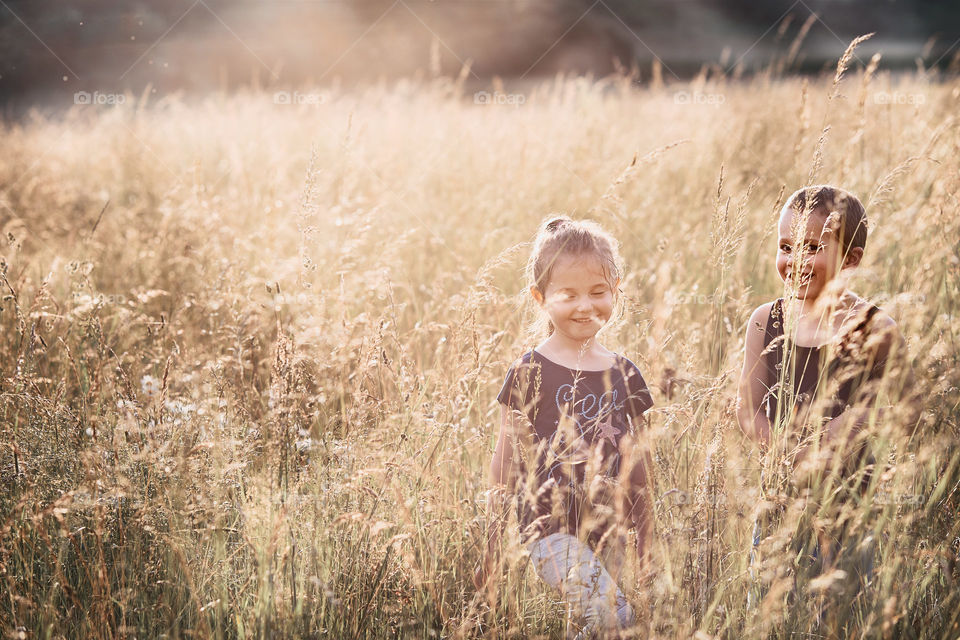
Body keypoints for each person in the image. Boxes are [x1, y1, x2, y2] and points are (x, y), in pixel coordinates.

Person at [736, 185, 911, 625]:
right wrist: (782, 449)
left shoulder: (876, 326)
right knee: (774, 607)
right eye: (785, 246)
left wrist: (857, 420)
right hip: (779, 501)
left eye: (812, 247)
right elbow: (747, 408)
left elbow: (905, 407)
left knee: (843, 611)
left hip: (849, 504)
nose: (794, 260)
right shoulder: (765, 321)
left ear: (851, 259)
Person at [474, 215, 654, 639]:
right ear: (540, 297)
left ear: (616, 291)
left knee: (597, 623)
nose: (584, 306)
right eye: (568, 294)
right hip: (548, 530)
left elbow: (639, 467)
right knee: (614, 616)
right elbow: (504, 466)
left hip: (610, 528)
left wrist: (647, 538)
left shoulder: (625, 373)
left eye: (598, 292)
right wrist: (492, 546)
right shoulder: (529, 371)